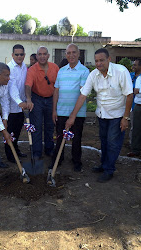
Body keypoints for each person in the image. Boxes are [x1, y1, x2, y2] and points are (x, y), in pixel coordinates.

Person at [65, 48, 133, 182]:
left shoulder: (121, 71)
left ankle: (109, 170)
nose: (98, 63)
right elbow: (83, 95)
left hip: (117, 115)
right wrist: (72, 116)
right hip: (102, 115)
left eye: (102, 60)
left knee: (113, 143)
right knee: (104, 141)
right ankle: (104, 164)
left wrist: (125, 118)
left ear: (109, 59)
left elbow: (129, 95)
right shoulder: (93, 75)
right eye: (96, 61)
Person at [50, 43, 89, 172]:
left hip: (77, 113)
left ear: (78, 54)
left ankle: (76, 161)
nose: (71, 55)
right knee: (60, 137)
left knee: (76, 138)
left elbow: (83, 94)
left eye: (74, 52)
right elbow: (56, 91)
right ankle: (58, 159)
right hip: (61, 111)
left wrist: (73, 115)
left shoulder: (84, 71)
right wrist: (54, 110)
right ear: (65, 55)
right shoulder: (61, 71)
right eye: (68, 53)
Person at [25, 46, 59, 158]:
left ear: (48, 56)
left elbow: (58, 86)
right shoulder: (32, 70)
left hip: (51, 99)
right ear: (37, 56)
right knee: (36, 126)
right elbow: (28, 86)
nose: (42, 56)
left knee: (50, 125)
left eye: (44, 54)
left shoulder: (55, 68)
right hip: (37, 99)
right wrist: (29, 99)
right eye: (40, 54)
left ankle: (49, 149)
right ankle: (37, 152)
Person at [4, 44, 31, 163]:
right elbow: (12, 88)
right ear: (12, 55)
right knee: (10, 131)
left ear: (24, 55)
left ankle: (15, 149)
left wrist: (26, 100)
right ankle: (10, 154)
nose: (19, 56)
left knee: (18, 131)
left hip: (21, 107)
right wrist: (20, 102)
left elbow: (25, 85)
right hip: (11, 107)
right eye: (17, 54)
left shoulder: (24, 67)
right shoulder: (9, 68)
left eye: (21, 54)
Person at [129, 59, 141, 143]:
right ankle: (133, 144)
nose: (133, 66)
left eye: (135, 65)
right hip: (131, 105)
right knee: (133, 126)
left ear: (140, 66)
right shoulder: (130, 75)